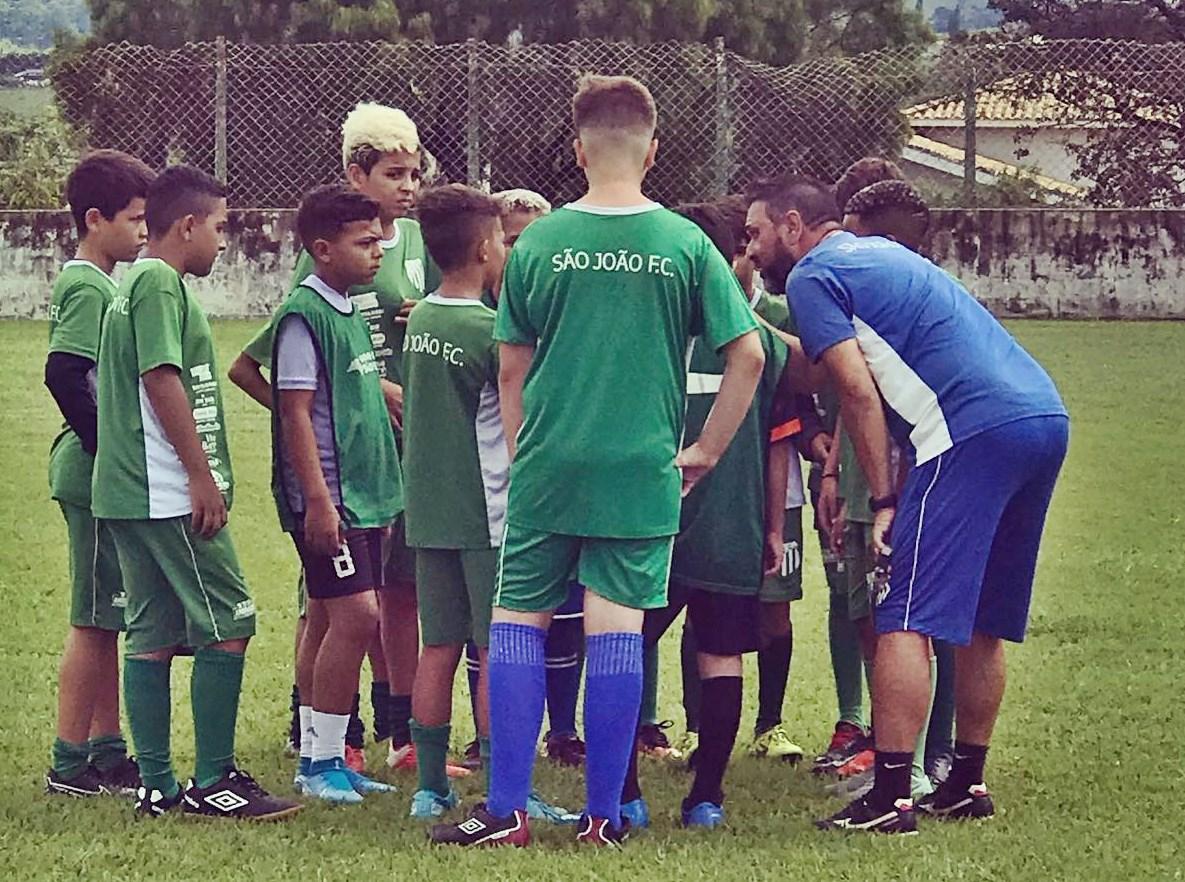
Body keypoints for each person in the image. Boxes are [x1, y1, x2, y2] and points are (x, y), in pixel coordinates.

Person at [428, 74, 765, 848]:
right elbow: (747, 354)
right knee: (618, 627)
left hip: (550, 461)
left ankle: (505, 810)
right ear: (653, 150)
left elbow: (509, 364)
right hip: (639, 467)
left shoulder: (538, 241)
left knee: (519, 621)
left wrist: (522, 451)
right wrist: (706, 449)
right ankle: (603, 817)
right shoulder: (683, 242)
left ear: (577, 150)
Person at [746, 174, 1068, 834]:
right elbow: (819, 366)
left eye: (754, 235)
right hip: (1040, 416)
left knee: (902, 613)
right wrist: (743, 329)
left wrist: (886, 497)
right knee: (982, 618)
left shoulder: (811, 274)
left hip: (965, 432)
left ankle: (890, 793)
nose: (750, 253)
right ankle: (964, 784)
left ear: (790, 225)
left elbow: (857, 394)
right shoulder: (882, 255)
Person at [227, 102, 447, 775]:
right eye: (394, 172)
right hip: (334, 486)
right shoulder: (312, 299)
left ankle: (370, 740)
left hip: (382, 474)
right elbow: (286, 389)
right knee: (341, 613)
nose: (409, 187)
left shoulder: (378, 274)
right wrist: (319, 463)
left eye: (416, 173)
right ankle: (323, 745)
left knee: (365, 606)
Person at [92, 165, 301, 821]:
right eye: (219, 226)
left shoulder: (143, 282)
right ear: (187, 225)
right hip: (163, 491)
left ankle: (157, 786)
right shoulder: (157, 282)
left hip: (133, 491)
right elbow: (160, 379)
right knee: (229, 621)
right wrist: (199, 475)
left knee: (151, 633)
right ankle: (214, 781)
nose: (223, 240)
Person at [616, 201, 795, 830]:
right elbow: (780, 437)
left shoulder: (645, 333)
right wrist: (772, 526)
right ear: (733, 262)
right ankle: (706, 799)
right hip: (730, 527)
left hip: (648, 520)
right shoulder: (763, 344)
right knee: (722, 656)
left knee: (624, 643)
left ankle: (627, 794)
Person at [273, 185, 403, 805]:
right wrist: (318, 502)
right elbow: (294, 413)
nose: (379, 250)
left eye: (379, 239)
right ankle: (320, 761)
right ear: (323, 250)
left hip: (366, 498)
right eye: (365, 241)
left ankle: (321, 754)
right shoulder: (305, 314)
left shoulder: (348, 307)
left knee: (329, 617)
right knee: (359, 617)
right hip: (334, 501)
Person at [44, 150, 154, 798]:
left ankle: (109, 751)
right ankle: (68, 763)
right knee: (92, 620)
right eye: (135, 219)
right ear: (94, 219)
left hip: (102, 472)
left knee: (111, 613)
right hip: (90, 475)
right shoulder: (86, 284)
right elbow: (65, 374)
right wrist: (109, 449)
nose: (144, 230)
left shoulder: (106, 281)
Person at [399, 184, 509, 818]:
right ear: (483, 247)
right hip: (484, 510)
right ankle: (502, 787)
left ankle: (430, 787)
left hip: (428, 508)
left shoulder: (424, 320)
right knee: (497, 647)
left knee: (436, 645)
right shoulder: (487, 330)